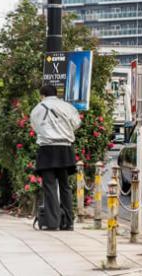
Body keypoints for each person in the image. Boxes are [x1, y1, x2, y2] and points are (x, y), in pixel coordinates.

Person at [30, 84, 80, 231]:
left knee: (50, 187)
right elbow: (77, 124)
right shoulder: (67, 106)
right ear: (56, 94)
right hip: (65, 148)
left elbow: (35, 127)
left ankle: (52, 222)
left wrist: (48, 131)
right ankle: (68, 223)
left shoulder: (37, 109)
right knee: (65, 186)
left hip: (46, 149)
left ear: (42, 95)